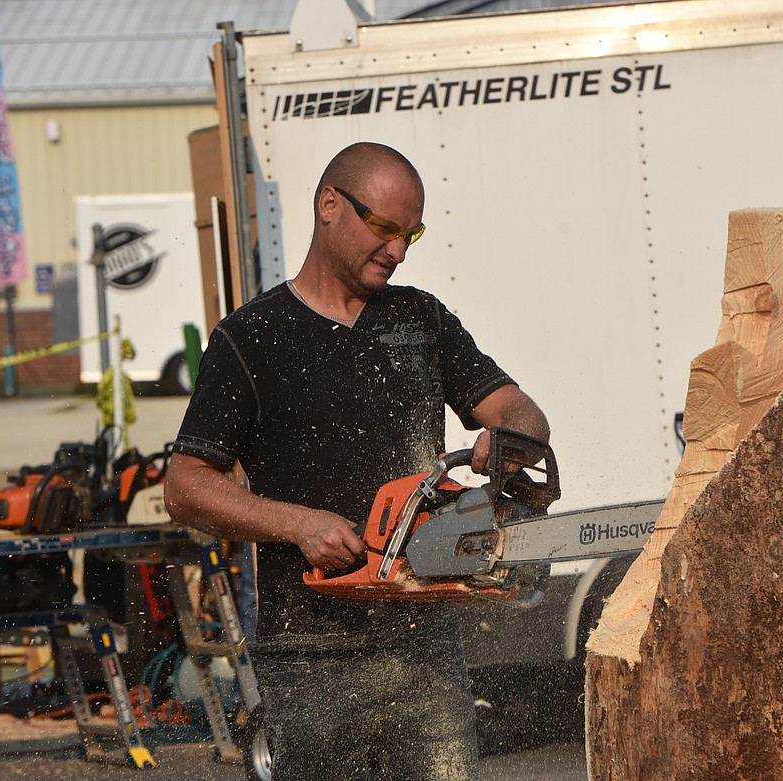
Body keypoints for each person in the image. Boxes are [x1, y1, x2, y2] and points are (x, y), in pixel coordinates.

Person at [163, 141, 549, 781]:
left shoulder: (420, 319)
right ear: (329, 206)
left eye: (412, 233)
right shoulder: (250, 338)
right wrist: (297, 525)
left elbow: (517, 408)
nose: (398, 250)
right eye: (386, 228)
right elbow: (185, 486)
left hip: (424, 645)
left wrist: (511, 442)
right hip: (310, 653)